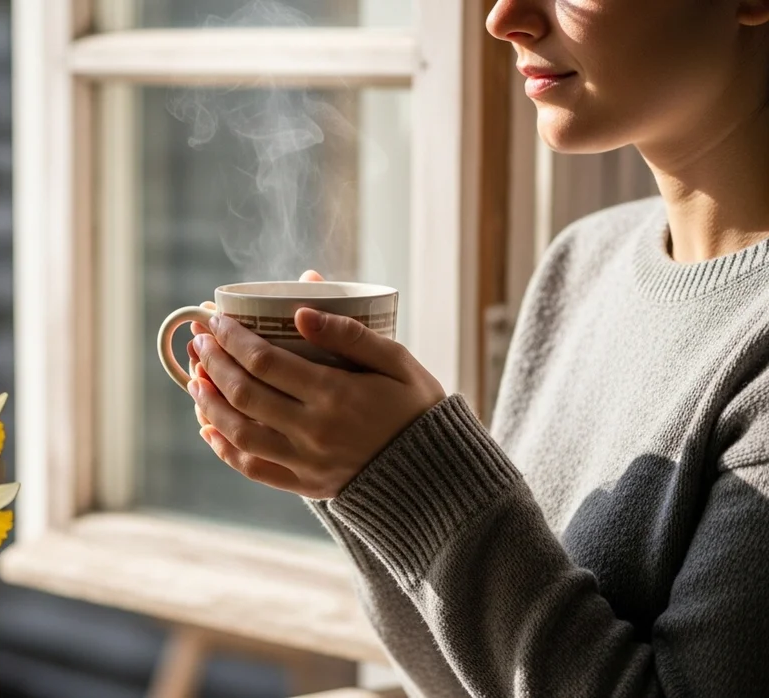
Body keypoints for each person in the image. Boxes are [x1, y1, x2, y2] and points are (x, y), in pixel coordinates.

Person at [184, 1, 769, 695]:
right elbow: (466, 679)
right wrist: (358, 478)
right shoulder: (582, 262)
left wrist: (413, 468)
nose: (504, 18)